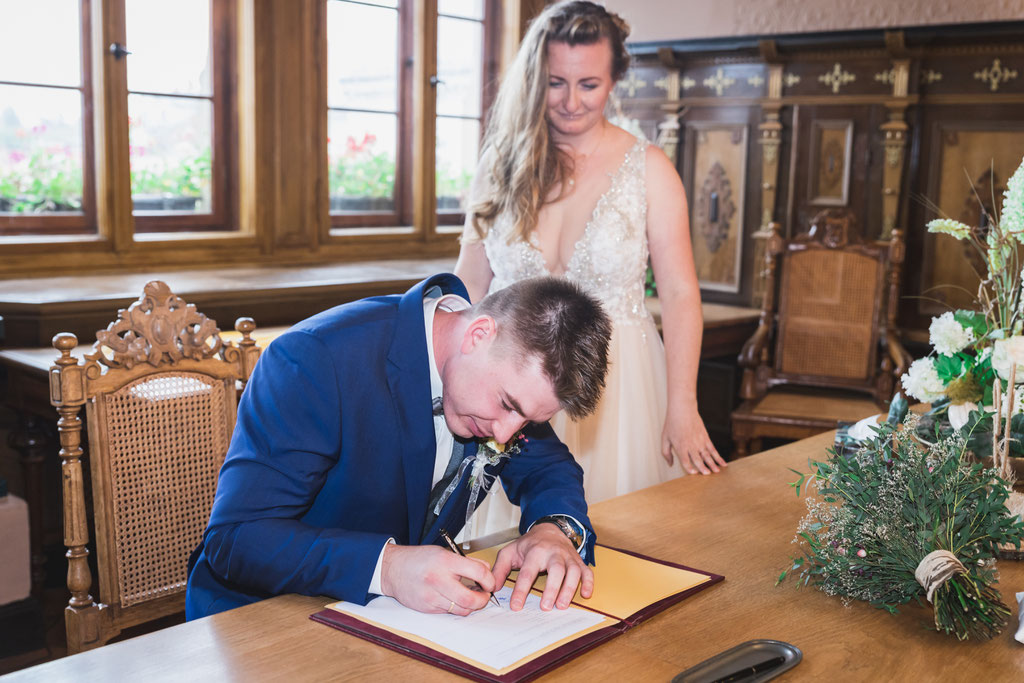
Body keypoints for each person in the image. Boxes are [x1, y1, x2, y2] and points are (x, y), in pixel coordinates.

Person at [185, 273, 612, 620]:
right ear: (479, 334)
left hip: (399, 625)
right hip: (265, 616)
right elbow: (236, 539)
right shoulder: (313, 360)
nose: (504, 435)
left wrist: (554, 530)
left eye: (528, 422)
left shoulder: (508, 390)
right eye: (507, 406)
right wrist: (386, 568)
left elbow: (548, 468)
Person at [455, 1, 726, 537]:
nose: (571, 101)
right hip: (510, 384)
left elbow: (678, 295)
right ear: (535, 79)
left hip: (618, 388)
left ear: (615, 80)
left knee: (625, 547)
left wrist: (683, 405)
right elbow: (468, 282)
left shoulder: (648, 168)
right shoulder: (499, 165)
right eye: (556, 82)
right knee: (498, 549)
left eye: (589, 84)